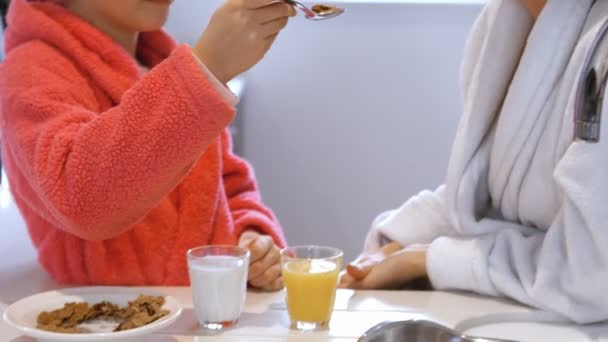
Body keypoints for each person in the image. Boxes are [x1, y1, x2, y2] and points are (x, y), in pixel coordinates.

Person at [342, 0, 608, 323]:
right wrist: (400, 241)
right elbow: (488, 193)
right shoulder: (502, 19)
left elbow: (591, 274)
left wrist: (430, 261)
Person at [0, 0, 295, 290]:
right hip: (102, 323)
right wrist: (204, 70)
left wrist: (251, 239)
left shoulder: (160, 65)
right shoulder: (29, 73)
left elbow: (225, 185)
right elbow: (81, 199)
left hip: (199, 314)